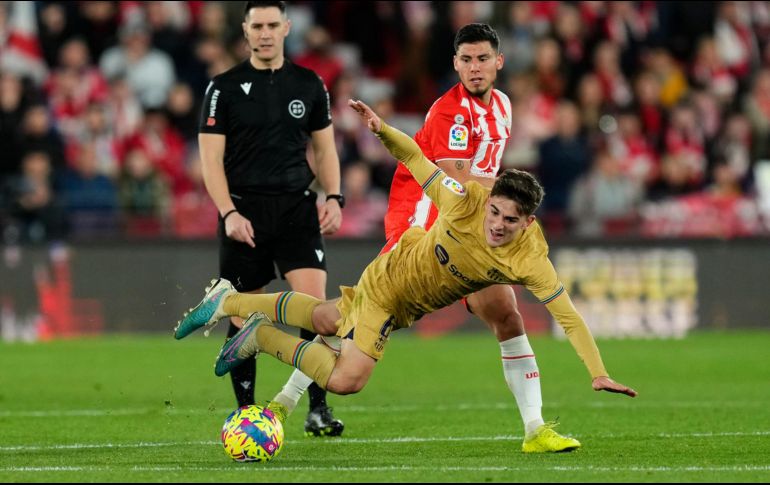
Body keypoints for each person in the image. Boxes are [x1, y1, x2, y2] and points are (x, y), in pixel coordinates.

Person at [176, 99, 638, 453]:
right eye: (495, 211)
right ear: (489, 199)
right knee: (347, 380)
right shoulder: (465, 201)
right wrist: (381, 129)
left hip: (408, 303)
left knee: (324, 318)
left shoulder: (532, 260)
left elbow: (569, 317)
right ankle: (260, 337)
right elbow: (417, 160)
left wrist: (598, 373)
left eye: (509, 220)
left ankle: (228, 301)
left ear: (529, 222)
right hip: (391, 285)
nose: (497, 224)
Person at [384, 23, 572, 450]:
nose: (475, 67)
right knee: (365, 320)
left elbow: (484, 184)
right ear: (455, 64)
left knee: (506, 313)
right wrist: (515, 198)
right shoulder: (449, 113)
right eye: (466, 59)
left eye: (483, 58)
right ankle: (288, 395)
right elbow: (461, 182)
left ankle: (535, 429)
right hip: (422, 224)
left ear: (498, 62)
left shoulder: (503, 105)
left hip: (469, 228)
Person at [196, 1, 344, 437]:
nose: (264, 33)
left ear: (286, 28)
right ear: (245, 30)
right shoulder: (223, 87)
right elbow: (210, 160)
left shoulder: (309, 84)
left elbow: (325, 149)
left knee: (317, 311)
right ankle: (247, 415)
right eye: (257, 25)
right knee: (244, 317)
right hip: (245, 210)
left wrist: (334, 197)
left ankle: (317, 408)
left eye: (272, 25)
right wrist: (228, 212)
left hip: (297, 208)